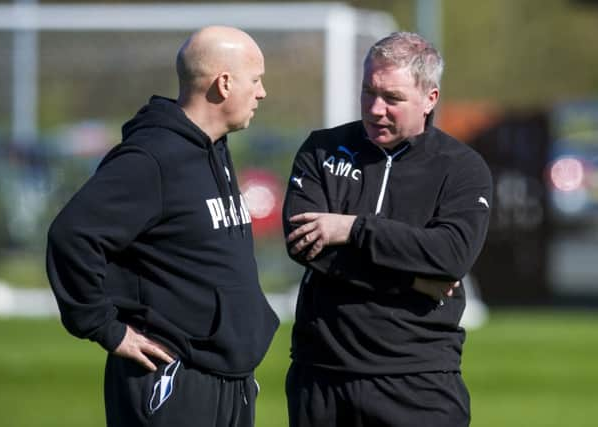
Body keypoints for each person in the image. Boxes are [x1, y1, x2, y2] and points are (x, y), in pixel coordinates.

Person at [46, 26, 279, 427]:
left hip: (228, 382)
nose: (261, 93)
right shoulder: (152, 158)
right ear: (224, 83)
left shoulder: (214, 148)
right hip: (173, 381)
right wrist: (106, 328)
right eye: (255, 81)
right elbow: (72, 235)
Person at [282, 31, 493, 427]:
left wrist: (352, 229)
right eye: (368, 92)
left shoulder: (462, 168)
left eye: (392, 98)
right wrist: (416, 278)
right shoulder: (322, 149)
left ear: (430, 99)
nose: (375, 109)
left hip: (418, 381)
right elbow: (303, 243)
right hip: (322, 376)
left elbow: (450, 256)